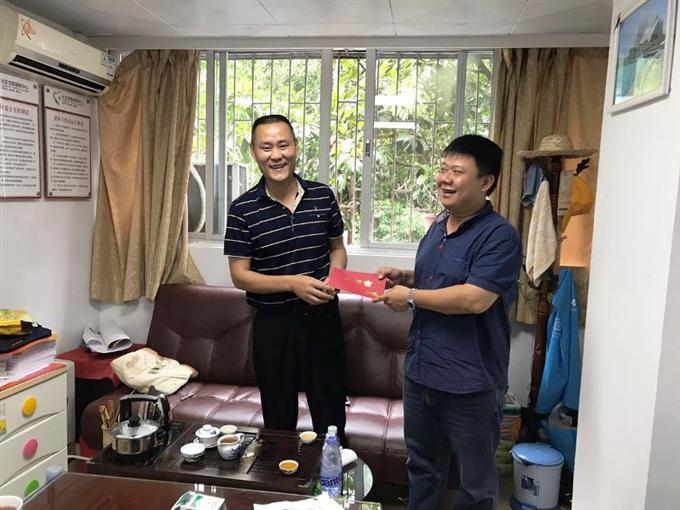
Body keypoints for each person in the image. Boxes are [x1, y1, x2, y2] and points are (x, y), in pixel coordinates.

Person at [375, 134, 522, 509]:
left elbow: (474, 298)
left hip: (470, 383)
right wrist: (407, 277)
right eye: (442, 169)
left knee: (475, 484)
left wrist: (409, 296)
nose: (444, 178)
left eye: (457, 171)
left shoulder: (500, 236)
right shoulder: (439, 226)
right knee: (422, 469)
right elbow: (442, 277)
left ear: (486, 181)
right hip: (421, 373)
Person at [224, 114, 348, 441]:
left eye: (283, 145)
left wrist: (334, 278)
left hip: (323, 320)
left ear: (296, 147)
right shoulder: (242, 209)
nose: (276, 155)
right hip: (273, 326)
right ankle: (280, 475)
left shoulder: (322, 196)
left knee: (331, 417)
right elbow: (240, 276)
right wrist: (293, 283)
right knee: (278, 421)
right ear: (254, 152)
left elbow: (337, 249)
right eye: (266, 147)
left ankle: (332, 472)